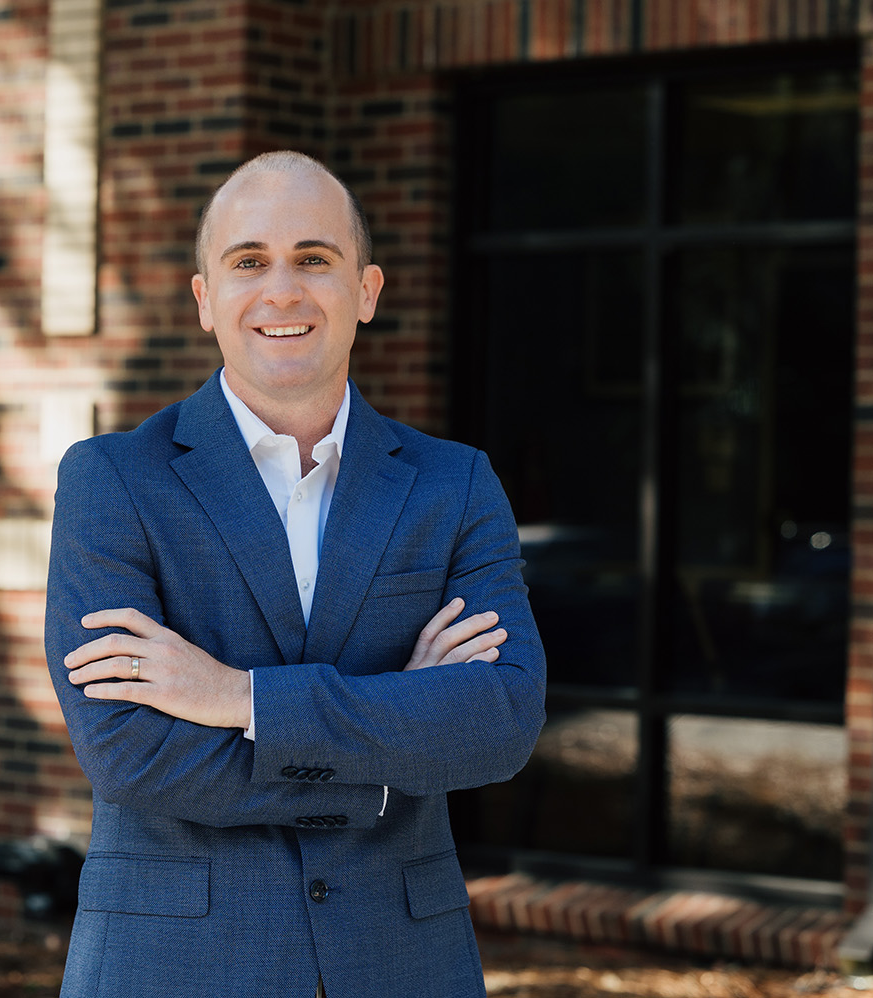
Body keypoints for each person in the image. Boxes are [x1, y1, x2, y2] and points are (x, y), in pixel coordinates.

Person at [44, 150, 546, 997]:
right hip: (173, 969)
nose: (282, 290)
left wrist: (236, 698)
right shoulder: (113, 480)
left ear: (367, 290)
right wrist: (387, 764)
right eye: (249, 263)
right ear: (206, 299)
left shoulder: (453, 484)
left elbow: (499, 718)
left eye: (314, 259)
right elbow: (127, 751)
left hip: (401, 966)